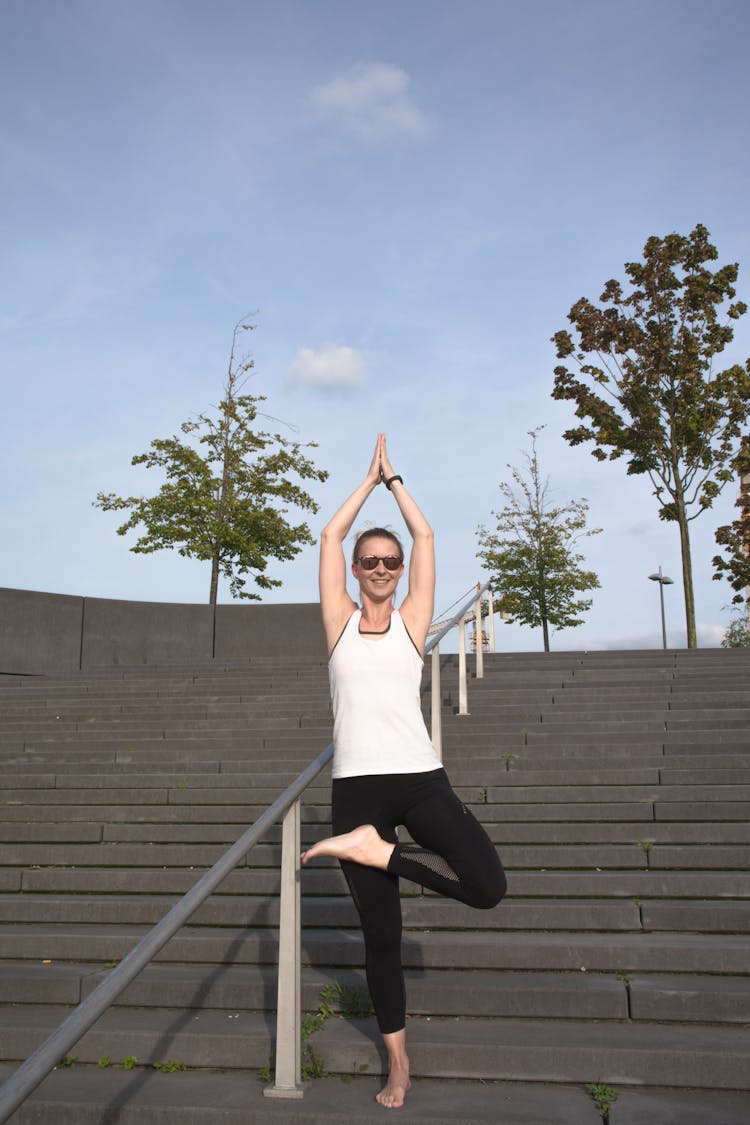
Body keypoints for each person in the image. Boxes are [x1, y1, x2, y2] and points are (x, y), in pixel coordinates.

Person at [301, 434, 507, 1110]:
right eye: (373, 561)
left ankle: (381, 852)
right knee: (382, 939)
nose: (385, 568)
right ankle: (398, 1063)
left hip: (420, 777)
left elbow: (425, 531)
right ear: (357, 570)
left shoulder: (414, 622)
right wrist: (363, 483)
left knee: (487, 885)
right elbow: (329, 534)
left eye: (391, 561)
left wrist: (396, 481)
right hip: (357, 786)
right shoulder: (338, 621)